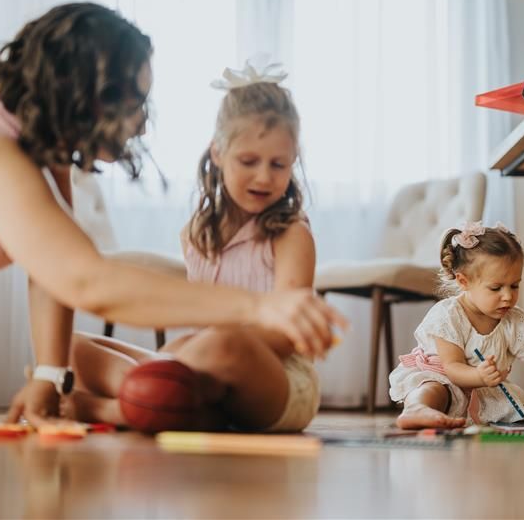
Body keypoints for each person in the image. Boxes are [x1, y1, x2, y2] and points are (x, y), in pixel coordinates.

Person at [0, 3, 346, 427]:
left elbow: (52, 271)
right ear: (84, 91)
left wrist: (50, 372)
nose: (142, 122)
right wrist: (260, 307)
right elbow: (86, 280)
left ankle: (141, 401)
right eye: (133, 101)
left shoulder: (38, 144)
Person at [62, 60, 328, 432]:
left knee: (221, 345)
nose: (264, 176)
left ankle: (116, 407)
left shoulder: (291, 233)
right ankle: (148, 399)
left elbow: (286, 336)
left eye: (279, 164)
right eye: (248, 161)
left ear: (293, 161)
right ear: (218, 153)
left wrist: (193, 350)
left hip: (277, 379)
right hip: (204, 367)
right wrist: (184, 354)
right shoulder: (196, 233)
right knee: (71, 345)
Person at [389, 222, 524, 429]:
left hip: (482, 388)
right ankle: (417, 409)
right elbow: (452, 367)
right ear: (463, 282)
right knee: (436, 388)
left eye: (514, 285)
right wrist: (478, 375)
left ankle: (447, 415)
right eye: (495, 288)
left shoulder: (514, 320)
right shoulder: (448, 315)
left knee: (518, 407)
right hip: (445, 376)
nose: (508, 296)